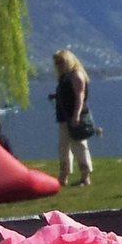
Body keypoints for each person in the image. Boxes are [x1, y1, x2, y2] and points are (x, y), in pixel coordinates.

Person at [50, 48, 93, 186]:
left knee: (79, 145)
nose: (58, 65)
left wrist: (76, 115)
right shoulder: (64, 77)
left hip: (74, 116)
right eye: (56, 63)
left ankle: (85, 176)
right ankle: (64, 175)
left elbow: (80, 96)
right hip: (64, 117)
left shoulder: (76, 75)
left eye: (60, 62)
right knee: (63, 147)